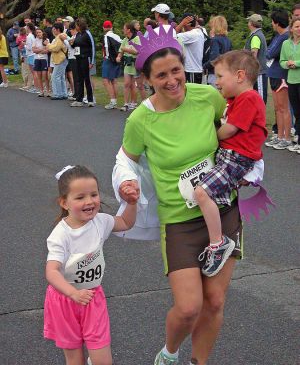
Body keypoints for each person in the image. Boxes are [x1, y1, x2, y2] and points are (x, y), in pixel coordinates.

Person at [115, 24, 246, 365]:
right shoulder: (141, 119)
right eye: (161, 75)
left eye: (176, 70)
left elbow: (240, 129)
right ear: (147, 80)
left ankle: (198, 362)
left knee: (215, 301)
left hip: (221, 210)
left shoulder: (208, 97)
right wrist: (126, 183)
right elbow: (125, 160)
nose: (172, 80)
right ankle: (169, 353)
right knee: (189, 307)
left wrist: (247, 167)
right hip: (179, 220)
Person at [44, 165, 138, 365]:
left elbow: (125, 223)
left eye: (93, 194)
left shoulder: (101, 222)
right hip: (65, 301)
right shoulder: (61, 235)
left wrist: (131, 203)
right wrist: (72, 293)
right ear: (64, 202)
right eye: (80, 197)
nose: (89, 201)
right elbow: (52, 272)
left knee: (102, 360)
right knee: (74, 359)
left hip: (92, 298)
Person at [194, 50, 267, 277]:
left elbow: (230, 129)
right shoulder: (236, 98)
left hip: (236, 159)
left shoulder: (249, 98)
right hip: (231, 157)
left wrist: (209, 136)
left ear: (240, 76)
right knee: (210, 196)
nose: (216, 83)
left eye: (219, 76)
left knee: (202, 193)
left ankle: (218, 244)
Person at [264, 9, 291, 150]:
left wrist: (268, 53)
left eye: (273, 22)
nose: (272, 24)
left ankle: (286, 138)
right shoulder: (278, 36)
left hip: (281, 76)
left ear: (277, 22)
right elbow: (268, 51)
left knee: (283, 108)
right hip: (273, 74)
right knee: (277, 109)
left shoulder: (284, 37)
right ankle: (280, 136)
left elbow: (270, 53)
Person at [280, 16, 300, 154]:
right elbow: (282, 61)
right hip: (291, 80)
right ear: (291, 29)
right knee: (297, 112)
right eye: (297, 26)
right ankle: (298, 139)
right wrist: (287, 64)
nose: (299, 29)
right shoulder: (286, 44)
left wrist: (296, 63)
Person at [69, 18, 94, 107]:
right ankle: (79, 99)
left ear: (80, 25)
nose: (75, 27)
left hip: (85, 58)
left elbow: (92, 47)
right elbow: (75, 46)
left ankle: (90, 99)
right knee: (79, 79)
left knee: (86, 79)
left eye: (76, 25)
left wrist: (92, 61)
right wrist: (72, 43)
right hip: (78, 58)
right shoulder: (78, 34)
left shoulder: (87, 34)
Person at [116, 22, 140, 111]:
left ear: (129, 30)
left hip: (135, 64)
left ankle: (133, 103)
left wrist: (126, 49)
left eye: (124, 28)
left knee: (133, 85)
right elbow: (120, 50)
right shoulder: (125, 39)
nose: (123, 30)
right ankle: (126, 104)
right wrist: (118, 56)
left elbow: (137, 51)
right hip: (127, 64)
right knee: (126, 84)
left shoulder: (137, 38)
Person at [203, 15, 232, 87]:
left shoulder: (215, 40)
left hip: (214, 74)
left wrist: (204, 66)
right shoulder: (228, 40)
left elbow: (214, 58)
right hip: (225, 73)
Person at [245, 14, 268, 103]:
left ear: (251, 23)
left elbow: (253, 54)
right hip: (258, 72)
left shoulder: (255, 36)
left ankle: (261, 116)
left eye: (249, 21)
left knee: (260, 98)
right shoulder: (258, 35)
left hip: (259, 72)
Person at [176, 13, 205, 84]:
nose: (183, 27)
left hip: (192, 70)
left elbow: (171, 36)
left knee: (192, 93)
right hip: (196, 70)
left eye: (183, 24)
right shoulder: (200, 31)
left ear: (188, 24)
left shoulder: (191, 35)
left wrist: (181, 24)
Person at [102, 20, 122, 110]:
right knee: (114, 80)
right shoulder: (117, 36)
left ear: (104, 28)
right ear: (111, 27)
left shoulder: (106, 36)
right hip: (116, 60)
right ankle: (115, 101)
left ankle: (112, 101)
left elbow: (106, 48)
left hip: (108, 60)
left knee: (106, 81)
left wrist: (107, 58)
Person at [45, 22, 68, 100]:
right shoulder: (59, 37)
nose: (52, 30)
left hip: (60, 59)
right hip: (61, 59)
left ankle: (58, 94)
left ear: (58, 30)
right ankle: (63, 93)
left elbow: (55, 48)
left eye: (54, 29)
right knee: (61, 77)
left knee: (55, 77)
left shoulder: (59, 38)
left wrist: (48, 44)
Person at [32, 28, 50, 97]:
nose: (38, 34)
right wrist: (42, 49)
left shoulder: (46, 40)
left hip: (44, 59)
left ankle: (48, 91)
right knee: (39, 76)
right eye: (37, 32)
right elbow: (33, 50)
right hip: (37, 59)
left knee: (45, 75)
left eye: (39, 32)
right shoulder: (35, 40)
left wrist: (38, 50)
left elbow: (47, 50)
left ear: (42, 32)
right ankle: (41, 91)